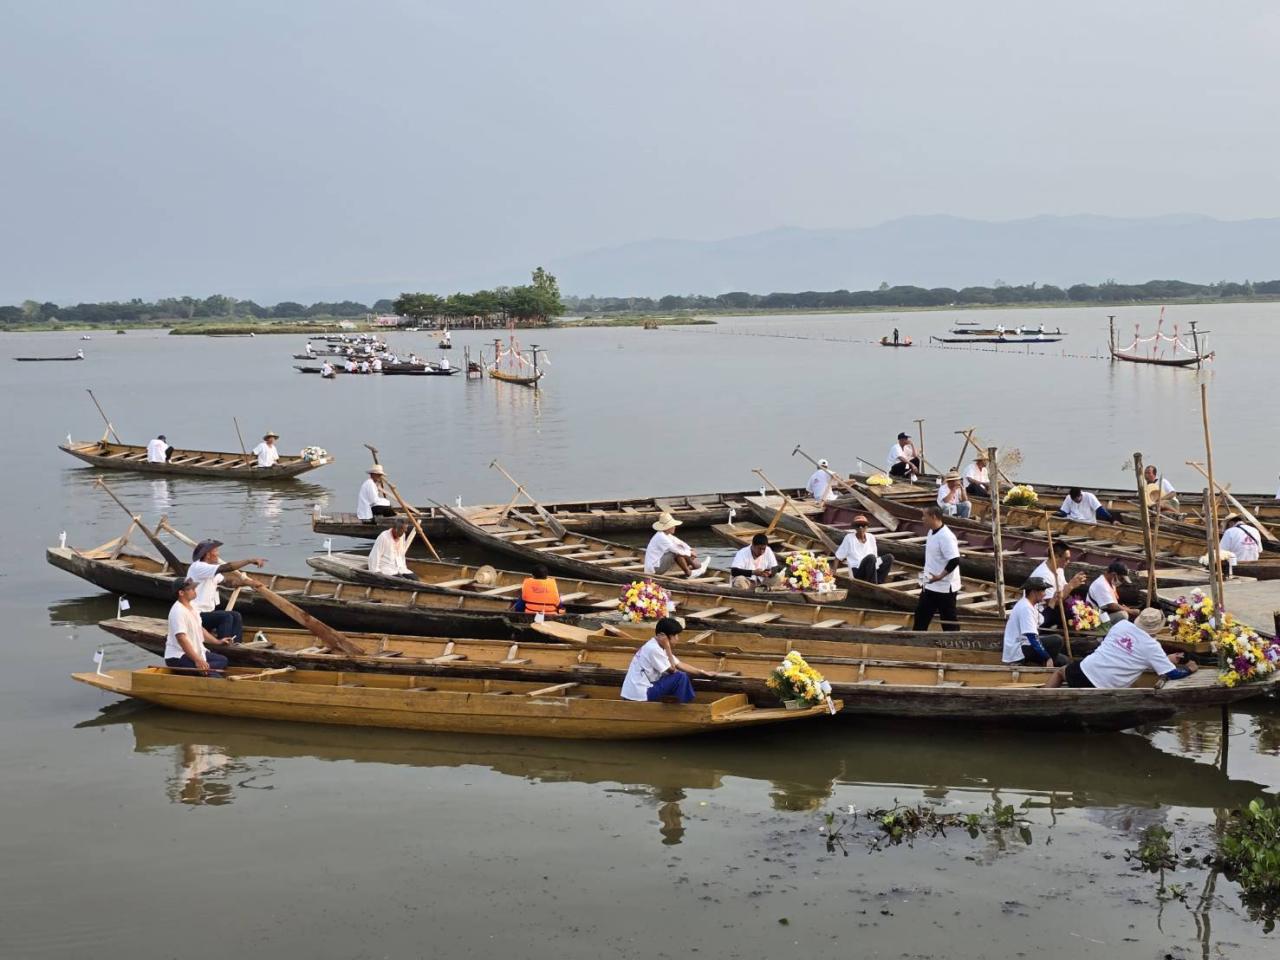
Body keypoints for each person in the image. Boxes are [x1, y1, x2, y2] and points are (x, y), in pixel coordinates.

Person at [1048, 608, 1197, 689]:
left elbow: (1119, 651)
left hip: (1085, 669)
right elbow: (1173, 674)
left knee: (1060, 672)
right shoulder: (1152, 647)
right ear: (1157, 628)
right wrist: (1190, 669)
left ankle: (1044, 694)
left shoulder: (1122, 625)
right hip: (1105, 685)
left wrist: (1165, 659)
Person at [620, 617, 716, 703]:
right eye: (675, 635)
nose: (677, 639)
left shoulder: (656, 645)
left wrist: (702, 672)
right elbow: (672, 669)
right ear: (664, 636)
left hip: (640, 690)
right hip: (640, 693)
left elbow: (680, 664)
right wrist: (667, 647)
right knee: (680, 676)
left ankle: (680, 703)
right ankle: (683, 707)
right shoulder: (654, 649)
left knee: (680, 676)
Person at [187, 539, 266, 642]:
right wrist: (249, 561)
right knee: (226, 617)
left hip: (207, 613)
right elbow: (228, 567)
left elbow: (228, 582)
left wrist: (248, 583)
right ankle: (224, 644)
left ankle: (237, 644)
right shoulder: (199, 567)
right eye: (216, 551)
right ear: (207, 555)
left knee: (236, 615)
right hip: (194, 615)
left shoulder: (211, 569)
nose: (218, 554)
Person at [164, 577, 229, 676]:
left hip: (195, 652)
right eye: (191, 589)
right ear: (181, 593)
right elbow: (182, 639)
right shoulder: (178, 611)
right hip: (178, 656)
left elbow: (200, 629)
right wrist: (198, 660)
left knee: (223, 660)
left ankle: (204, 670)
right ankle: (204, 671)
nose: (195, 591)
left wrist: (218, 641)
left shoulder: (193, 606)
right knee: (214, 675)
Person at [913, 505, 961, 631]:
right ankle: (917, 643)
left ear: (933, 517)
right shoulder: (931, 532)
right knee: (920, 616)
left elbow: (955, 560)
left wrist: (939, 576)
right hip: (929, 583)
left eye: (925, 516)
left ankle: (954, 646)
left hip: (944, 587)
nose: (922, 519)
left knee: (948, 621)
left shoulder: (946, 536)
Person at [1002, 577, 1067, 667]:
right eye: (1043, 591)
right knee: (1057, 640)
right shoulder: (1025, 607)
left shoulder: (1032, 606)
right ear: (1033, 592)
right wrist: (1047, 657)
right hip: (1019, 649)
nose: (1044, 594)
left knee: (1063, 660)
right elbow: (1032, 637)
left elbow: (1043, 620)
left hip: (1027, 645)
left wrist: (1053, 601)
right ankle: (1045, 667)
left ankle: (1047, 665)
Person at [1027, 542, 1086, 630]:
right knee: (1071, 616)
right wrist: (1070, 586)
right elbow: (1052, 603)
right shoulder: (1043, 575)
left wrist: (1073, 583)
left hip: (1054, 607)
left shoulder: (1059, 569)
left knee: (1080, 608)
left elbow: (1064, 589)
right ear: (1056, 557)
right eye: (1066, 559)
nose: (1068, 562)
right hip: (1042, 613)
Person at [644, 513, 709, 578]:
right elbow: (676, 550)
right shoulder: (661, 537)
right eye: (673, 526)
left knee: (681, 550)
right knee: (676, 553)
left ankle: (697, 567)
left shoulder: (665, 534)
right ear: (667, 528)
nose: (675, 527)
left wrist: (689, 549)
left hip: (658, 565)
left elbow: (679, 542)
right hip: (653, 570)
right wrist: (690, 553)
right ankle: (690, 573)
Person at [834, 514, 893, 584]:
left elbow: (875, 556)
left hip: (871, 566)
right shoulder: (849, 538)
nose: (861, 528)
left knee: (889, 557)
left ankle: (879, 582)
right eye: (858, 526)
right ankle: (873, 584)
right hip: (857, 571)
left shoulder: (871, 537)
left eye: (863, 525)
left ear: (867, 527)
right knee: (871, 558)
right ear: (855, 528)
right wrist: (834, 571)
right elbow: (838, 557)